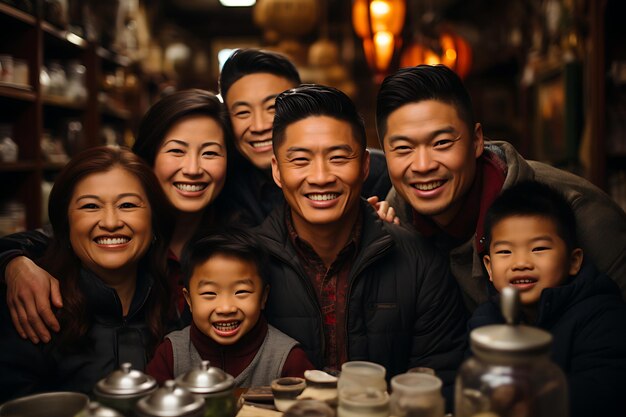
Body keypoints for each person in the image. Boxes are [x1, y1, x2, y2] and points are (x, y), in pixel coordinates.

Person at [255, 84, 467, 384]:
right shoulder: (246, 262)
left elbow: (439, 381)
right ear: (277, 170)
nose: (321, 177)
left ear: (365, 165)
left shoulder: (421, 264)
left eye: (339, 158)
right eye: (300, 160)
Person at [376, 64, 626, 311]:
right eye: (403, 148)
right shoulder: (396, 214)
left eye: (441, 143)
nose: (422, 166)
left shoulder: (576, 211)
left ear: (476, 141)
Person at [0, 89, 231, 342]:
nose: (193, 169)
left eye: (210, 153)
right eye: (176, 151)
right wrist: (14, 264)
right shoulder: (117, 237)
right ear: (149, 157)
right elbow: (46, 239)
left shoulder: (237, 241)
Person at [0, 147, 174, 401]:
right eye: (91, 206)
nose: (111, 222)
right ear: (65, 224)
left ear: (153, 219)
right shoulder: (31, 305)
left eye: (127, 205)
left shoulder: (177, 301)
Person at [468, 181, 626, 417]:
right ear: (489, 268)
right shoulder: (485, 320)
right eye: (505, 252)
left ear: (573, 261)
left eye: (539, 248)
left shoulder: (601, 314)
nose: (521, 263)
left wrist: (534, 401)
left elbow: (605, 389)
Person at [219, 48, 392, 226]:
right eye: (242, 112)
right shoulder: (224, 186)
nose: (259, 126)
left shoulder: (377, 173)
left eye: (272, 107)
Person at [147, 229, 314, 386]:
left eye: (241, 292)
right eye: (210, 293)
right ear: (189, 300)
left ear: (263, 297)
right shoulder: (170, 354)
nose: (226, 308)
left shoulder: (287, 358)